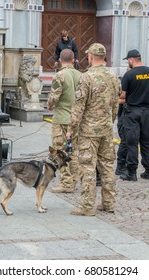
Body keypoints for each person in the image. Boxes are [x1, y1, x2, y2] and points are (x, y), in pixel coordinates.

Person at [66, 43, 121, 216]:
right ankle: (109, 203)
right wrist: (109, 122)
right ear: (104, 57)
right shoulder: (113, 77)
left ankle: (87, 206)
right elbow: (115, 106)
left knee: (88, 167)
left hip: (89, 132)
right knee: (107, 167)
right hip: (106, 129)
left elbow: (78, 107)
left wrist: (71, 129)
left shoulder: (86, 77)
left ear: (90, 56)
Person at [118, 49, 149, 181]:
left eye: (128, 61)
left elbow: (122, 95)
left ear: (131, 60)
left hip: (132, 112)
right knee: (147, 141)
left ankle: (131, 172)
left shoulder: (129, 75)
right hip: (146, 112)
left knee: (131, 142)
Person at [47, 49, 82, 193]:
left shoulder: (60, 75)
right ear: (73, 60)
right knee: (74, 150)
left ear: (60, 60)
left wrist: (50, 105)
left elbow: (54, 97)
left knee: (60, 150)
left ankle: (66, 183)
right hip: (76, 119)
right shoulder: (81, 76)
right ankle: (73, 180)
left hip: (62, 118)